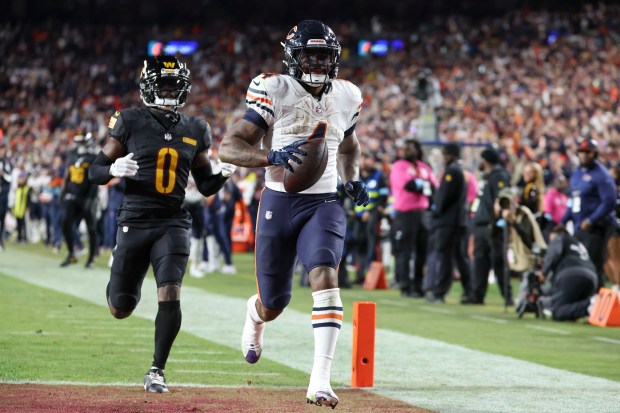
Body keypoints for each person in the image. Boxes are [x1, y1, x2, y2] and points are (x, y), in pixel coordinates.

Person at [218, 20, 369, 409]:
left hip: (323, 203)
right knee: (274, 303)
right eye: (310, 54)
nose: (317, 62)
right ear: (293, 56)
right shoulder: (275, 89)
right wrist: (271, 156)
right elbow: (229, 147)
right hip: (278, 202)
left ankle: (320, 380)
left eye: (324, 55)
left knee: (325, 274)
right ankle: (254, 315)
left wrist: (352, 180)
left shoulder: (347, 96)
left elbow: (349, 147)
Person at [87, 55, 235, 393]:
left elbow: (206, 184)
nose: (168, 90)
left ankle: (157, 370)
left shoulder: (196, 128)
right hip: (135, 219)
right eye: (162, 84)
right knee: (120, 307)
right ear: (148, 86)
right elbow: (95, 170)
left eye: (173, 84)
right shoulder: (129, 120)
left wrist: (223, 174)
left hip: (172, 221)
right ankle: (123, 273)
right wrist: (111, 171)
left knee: (170, 292)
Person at [561, 138, 617, 290]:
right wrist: (564, 220)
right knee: (581, 263)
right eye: (581, 152)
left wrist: (592, 220)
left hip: (596, 228)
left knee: (594, 265)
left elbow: (609, 201)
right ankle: (586, 300)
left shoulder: (601, 175)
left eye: (588, 152)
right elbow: (573, 199)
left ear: (594, 154)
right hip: (579, 226)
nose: (584, 155)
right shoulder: (577, 173)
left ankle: (597, 301)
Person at [389, 138, 437, 298]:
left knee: (422, 251)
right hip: (405, 214)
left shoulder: (424, 167)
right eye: (407, 147)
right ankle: (405, 286)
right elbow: (408, 185)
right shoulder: (398, 166)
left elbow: (434, 186)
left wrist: (420, 184)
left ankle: (418, 285)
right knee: (405, 251)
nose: (409, 150)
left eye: (413, 147)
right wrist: (424, 185)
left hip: (422, 214)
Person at [464, 147, 512, 305]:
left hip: (492, 226)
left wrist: (498, 219)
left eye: (481, 159)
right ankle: (477, 295)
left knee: (498, 261)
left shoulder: (499, 176)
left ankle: (507, 296)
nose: (479, 161)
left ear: (487, 160)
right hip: (480, 225)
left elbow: (503, 198)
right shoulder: (487, 177)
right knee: (480, 261)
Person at [537, 225, 597, 321]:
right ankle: (590, 304)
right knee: (570, 307)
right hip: (592, 276)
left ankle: (590, 304)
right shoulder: (577, 243)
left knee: (558, 312)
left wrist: (543, 272)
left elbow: (553, 255)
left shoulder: (560, 238)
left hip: (571, 273)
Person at [59, 132, 99, 268]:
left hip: (87, 197)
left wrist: (91, 198)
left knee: (91, 228)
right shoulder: (72, 156)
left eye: (83, 142)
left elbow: (95, 180)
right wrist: (62, 194)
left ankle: (91, 259)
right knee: (65, 222)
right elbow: (66, 176)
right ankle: (71, 254)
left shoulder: (93, 157)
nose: (80, 145)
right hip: (73, 196)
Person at [350, 150, 389, 284]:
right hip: (357, 217)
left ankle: (371, 277)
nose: (365, 161)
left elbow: (383, 196)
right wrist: (351, 210)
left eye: (368, 158)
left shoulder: (379, 176)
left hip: (372, 216)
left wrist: (371, 211)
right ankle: (360, 275)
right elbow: (349, 195)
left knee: (372, 245)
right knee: (358, 244)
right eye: (363, 158)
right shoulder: (356, 176)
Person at [0, 143, 12, 250]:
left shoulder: (6, 162)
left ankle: (1, 240)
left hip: (4, 193)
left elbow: (10, 178)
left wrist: (3, 175)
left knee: (2, 217)